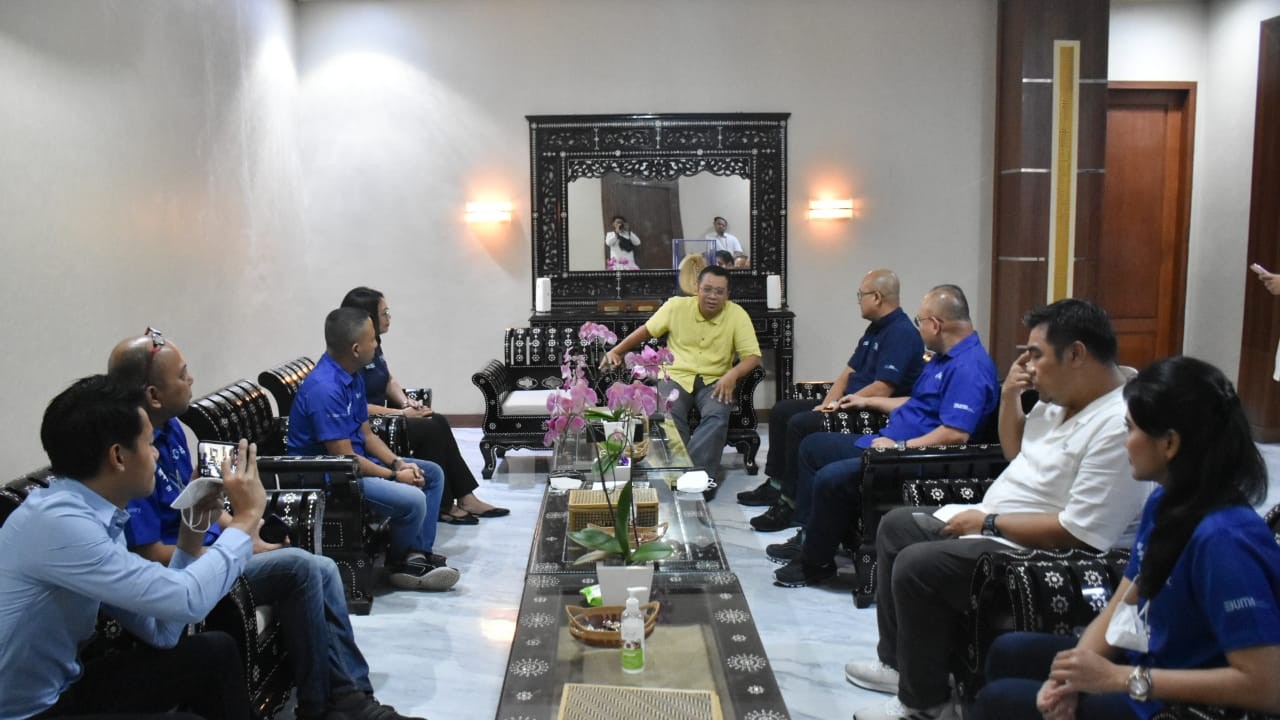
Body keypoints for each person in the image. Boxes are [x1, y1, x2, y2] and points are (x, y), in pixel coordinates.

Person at [845, 299, 1152, 720]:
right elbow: (1015, 452)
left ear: (1077, 354)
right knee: (897, 526)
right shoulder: (1061, 394)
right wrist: (1011, 397)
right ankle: (899, 665)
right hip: (998, 521)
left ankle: (925, 705)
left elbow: (1081, 533)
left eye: (1036, 354)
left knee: (921, 565)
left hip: (1045, 550)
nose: (1027, 364)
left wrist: (988, 521)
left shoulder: (1118, 423)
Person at [106, 331, 422, 720]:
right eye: (183, 375)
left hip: (211, 549)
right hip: (193, 567)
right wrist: (233, 546)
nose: (191, 380)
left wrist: (245, 533)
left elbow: (197, 497)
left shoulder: (168, 430)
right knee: (307, 567)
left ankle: (339, 698)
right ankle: (337, 703)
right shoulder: (129, 460)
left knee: (313, 568)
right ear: (153, 395)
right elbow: (150, 554)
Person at [972, 355, 1280, 720]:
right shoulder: (1167, 500)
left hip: (1183, 703)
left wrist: (1122, 678)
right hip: (1149, 659)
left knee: (1000, 700)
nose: (1125, 442)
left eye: (1130, 430)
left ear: (1169, 444)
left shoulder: (1224, 541)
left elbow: (1266, 687)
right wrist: (1072, 679)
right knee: (1008, 652)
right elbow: (1124, 599)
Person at [0, 374, 263, 720]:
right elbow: (187, 599)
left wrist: (190, 534)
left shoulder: (100, 514)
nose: (156, 453)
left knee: (214, 652)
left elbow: (163, 631)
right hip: (28, 713)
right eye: (150, 442)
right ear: (118, 457)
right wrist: (246, 518)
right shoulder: (61, 525)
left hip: (65, 686)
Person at [771, 284, 999, 587]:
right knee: (812, 447)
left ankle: (815, 562)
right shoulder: (943, 357)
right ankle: (810, 536)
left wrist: (899, 447)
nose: (918, 329)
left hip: (909, 459)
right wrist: (869, 401)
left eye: (920, 322)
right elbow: (916, 402)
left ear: (936, 324)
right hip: (886, 443)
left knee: (831, 477)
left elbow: (955, 434)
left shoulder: (969, 368)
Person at [741, 269, 925, 536]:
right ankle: (777, 484)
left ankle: (790, 505)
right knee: (782, 410)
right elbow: (848, 373)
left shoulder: (901, 333)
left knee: (800, 424)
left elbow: (883, 388)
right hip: (847, 404)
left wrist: (837, 407)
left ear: (876, 297)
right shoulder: (876, 328)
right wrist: (827, 404)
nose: (858, 300)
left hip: (869, 411)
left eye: (860, 295)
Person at [288, 307, 460, 592]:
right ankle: (398, 564)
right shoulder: (325, 388)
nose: (377, 345)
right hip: (331, 479)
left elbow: (366, 434)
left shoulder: (351, 374)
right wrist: (393, 477)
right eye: (373, 340)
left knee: (432, 474)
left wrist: (397, 464)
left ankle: (414, 556)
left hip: (355, 466)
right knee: (413, 500)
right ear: (356, 349)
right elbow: (345, 458)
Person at [340, 287, 508, 525]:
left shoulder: (373, 345)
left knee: (437, 420)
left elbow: (387, 379)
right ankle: (443, 505)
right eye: (384, 313)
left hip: (388, 417)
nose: (389, 317)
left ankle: (466, 497)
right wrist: (400, 414)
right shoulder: (352, 355)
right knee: (430, 430)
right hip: (375, 424)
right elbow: (358, 406)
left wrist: (408, 402)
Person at [602, 265, 762, 491]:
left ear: (727, 294)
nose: (712, 296)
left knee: (717, 416)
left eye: (719, 291)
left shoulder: (737, 315)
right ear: (697, 288)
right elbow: (646, 330)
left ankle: (693, 480)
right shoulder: (676, 306)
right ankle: (683, 475)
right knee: (668, 413)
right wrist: (616, 351)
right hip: (676, 375)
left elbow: (753, 356)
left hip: (715, 380)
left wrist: (733, 374)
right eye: (707, 289)